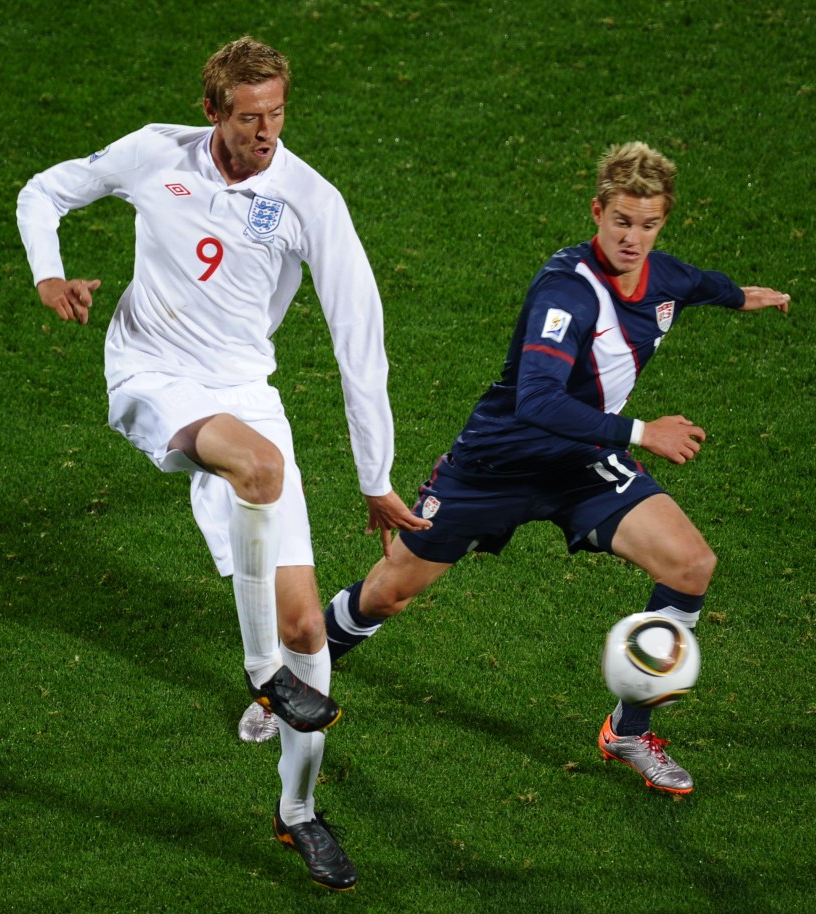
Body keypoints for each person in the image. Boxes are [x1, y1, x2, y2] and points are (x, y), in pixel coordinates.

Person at [16, 35, 429, 890]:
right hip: (151, 376)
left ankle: (297, 813)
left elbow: (361, 341)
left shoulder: (311, 199)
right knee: (262, 466)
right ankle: (260, 675)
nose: (266, 133)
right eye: (249, 119)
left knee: (310, 627)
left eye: (277, 114)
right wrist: (49, 276)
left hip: (244, 390)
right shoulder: (152, 153)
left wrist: (375, 476)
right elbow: (42, 191)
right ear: (212, 111)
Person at [322, 141, 791, 796]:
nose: (632, 238)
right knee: (390, 591)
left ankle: (628, 729)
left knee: (690, 564)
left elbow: (698, 285)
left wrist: (742, 296)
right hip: (494, 465)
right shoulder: (566, 292)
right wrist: (641, 433)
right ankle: (296, 672)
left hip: (581, 463)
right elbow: (538, 399)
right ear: (596, 211)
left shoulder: (663, 277)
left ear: (662, 222)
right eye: (620, 221)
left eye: (647, 224)